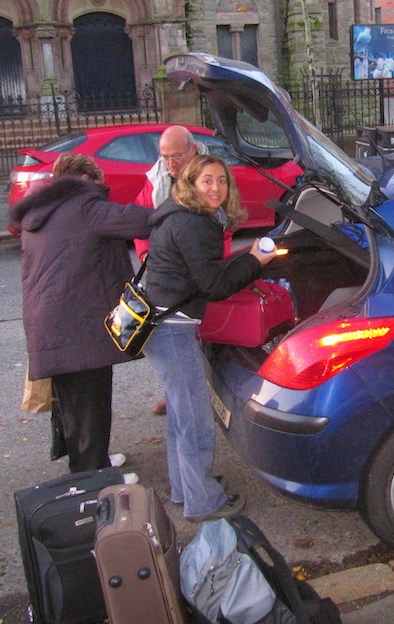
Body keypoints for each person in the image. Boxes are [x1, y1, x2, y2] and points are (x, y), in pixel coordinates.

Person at [143, 154, 277, 521]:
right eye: (207, 180)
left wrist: (243, 259)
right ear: (191, 183)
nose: (216, 187)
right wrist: (256, 262)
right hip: (172, 329)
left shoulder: (178, 214)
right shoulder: (196, 224)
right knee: (195, 418)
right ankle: (203, 502)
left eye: (221, 180)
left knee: (180, 415)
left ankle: (185, 488)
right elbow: (214, 286)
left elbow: (202, 271)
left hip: (160, 324)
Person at [10, 153, 152, 477]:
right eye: (99, 184)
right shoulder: (86, 205)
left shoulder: (39, 210)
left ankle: (92, 462)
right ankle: (95, 478)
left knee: (73, 403)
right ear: (87, 180)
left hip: (48, 320)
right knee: (91, 401)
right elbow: (140, 220)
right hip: (80, 321)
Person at [134, 125, 206, 416]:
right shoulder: (157, 179)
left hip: (197, 269)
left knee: (194, 332)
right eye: (165, 157)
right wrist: (145, 253)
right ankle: (176, 390)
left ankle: (191, 389)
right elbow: (143, 219)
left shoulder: (212, 175)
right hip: (166, 270)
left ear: (193, 149)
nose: (171, 164)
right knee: (172, 336)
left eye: (177, 156)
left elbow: (225, 222)